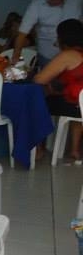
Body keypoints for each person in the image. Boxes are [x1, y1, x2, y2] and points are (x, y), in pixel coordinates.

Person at [34, 19, 83, 162]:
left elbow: (40, 79)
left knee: (36, 101)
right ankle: (74, 150)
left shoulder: (69, 55)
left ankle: (38, 148)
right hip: (80, 104)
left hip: (74, 104)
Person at [12, 0, 83, 68]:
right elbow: (22, 33)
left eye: (56, 0)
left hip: (74, 50)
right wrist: (16, 55)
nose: (51, 2)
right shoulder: (36, 4)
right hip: (47, 50)